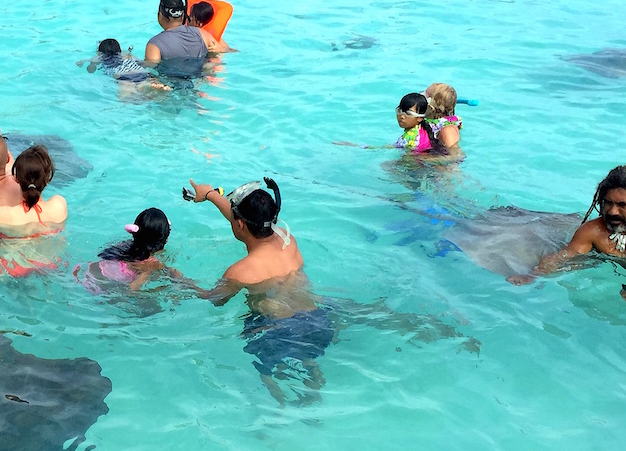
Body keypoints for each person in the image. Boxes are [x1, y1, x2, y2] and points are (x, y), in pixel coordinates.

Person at [185, 178, 333, 403]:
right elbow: (245, 222)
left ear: (240, 225)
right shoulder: (286, 238)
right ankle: (314, 378)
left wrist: (177, 279)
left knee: (266, 374)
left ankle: (279, 411)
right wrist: (210, 195)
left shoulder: (241, 271)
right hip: (317, 320)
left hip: (280, 332)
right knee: (306, 359)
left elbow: (214, 299)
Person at [508, 165, 626, 301]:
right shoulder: (593, 231)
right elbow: (565, 257)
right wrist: (532, 275)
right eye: (608, 203)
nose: (612, 211)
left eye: (622, 205)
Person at [0, 144, 67, 236]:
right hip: (51, 259)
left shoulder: (3, 215)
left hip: (11, 258)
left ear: (15, 178)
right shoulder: (59, 205)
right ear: (48, 179)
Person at [74, 208, 181, 293]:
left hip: (82, 272)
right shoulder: (153, 264)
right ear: (164, 239)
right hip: (99, 287)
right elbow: (131, 290)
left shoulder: (125, 245)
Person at [334, 93, 448, 156]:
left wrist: (356, 146)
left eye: (408, 113)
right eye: (399, 111)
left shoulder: (409, 139)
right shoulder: (430, 125)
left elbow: (387, 148)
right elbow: (450, 120)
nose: (401, 116)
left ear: (419, 118)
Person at [145, 0, 210, 69]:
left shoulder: (154, 44)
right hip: (197, 78)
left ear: (161, 15)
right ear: (183, 16)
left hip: (167, 80)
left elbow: (150, 69)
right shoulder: (201, 34)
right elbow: (221, 50)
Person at [423, 83, 462, 149]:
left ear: (431, 107)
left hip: (437, 156)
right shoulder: (432, 122)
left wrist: (425, 158)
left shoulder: (447, 129)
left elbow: (456, 156)